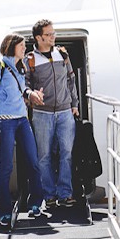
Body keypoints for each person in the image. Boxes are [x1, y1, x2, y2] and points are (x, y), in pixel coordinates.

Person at [0, 33, 45, 226]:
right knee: (6, 166)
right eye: (22, 46)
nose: (25, 48)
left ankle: (35, 203)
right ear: (11, 46)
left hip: (22, 120)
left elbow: (22, 88)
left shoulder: (20, 67)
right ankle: (4, 211)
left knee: (33, 161)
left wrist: (31, 93)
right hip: (4, 122)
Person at [26, 19, 79, 208]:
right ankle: (49, 195)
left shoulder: (62, 54)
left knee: (67, 153)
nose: (52, 37)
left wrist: (75, 104)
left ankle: (65, 193)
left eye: (53, 33)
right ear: (38, 38)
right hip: (42, 114)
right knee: (44, 156)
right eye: (49, 35)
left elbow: (71, 79)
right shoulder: (30, 59)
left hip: (65, 111)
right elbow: (25, 86)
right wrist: (31, 96)